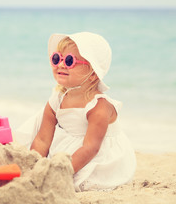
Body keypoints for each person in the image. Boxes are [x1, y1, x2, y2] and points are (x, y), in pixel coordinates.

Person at [29, 31, 136, 192]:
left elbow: (90, 148)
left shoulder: (98, 107)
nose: (61, 65)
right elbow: (43, 139)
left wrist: (60, 172)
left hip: (97, 156)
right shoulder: (57, 99)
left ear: (92, 74)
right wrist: (33, 166)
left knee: (81, 182)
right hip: (70, 149)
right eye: (57, 58)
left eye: (70, 60)